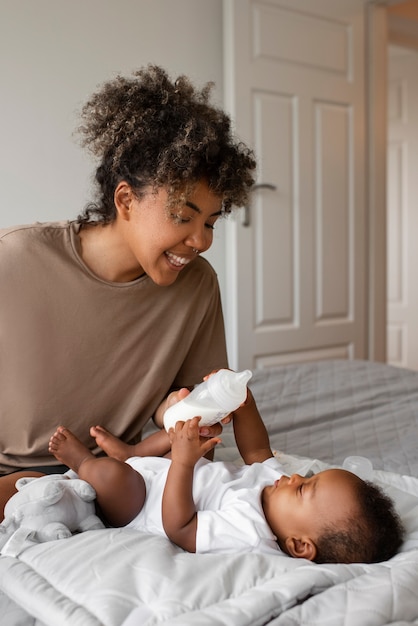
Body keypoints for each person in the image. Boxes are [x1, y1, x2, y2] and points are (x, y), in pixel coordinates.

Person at [0, 65, 256, 506]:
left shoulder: (196, 286)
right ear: (126, 200)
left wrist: (179, 411)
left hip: (115, 480)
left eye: (211, 222)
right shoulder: (17, 260)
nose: (201, 241)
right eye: (183, 216)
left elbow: (176, 406)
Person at [44, 386, 405, 564]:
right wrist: (245, 406)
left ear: (298, 545)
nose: (295, 478)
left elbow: (179, 527)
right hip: (173, 469)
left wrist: (184, 463)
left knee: (113, 478)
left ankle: (82, 462)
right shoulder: (273, 487)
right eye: (308, 477)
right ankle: (132, 452)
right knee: (199, 432)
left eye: (303, 489)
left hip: (141, 504)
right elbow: (257, 451)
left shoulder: (249, 532)